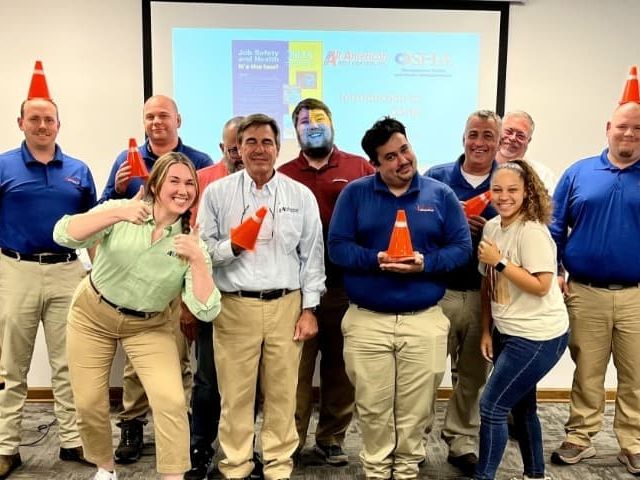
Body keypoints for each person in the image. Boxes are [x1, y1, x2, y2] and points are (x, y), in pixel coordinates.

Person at [53, 152, 221, 480]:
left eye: (190, 183)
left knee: (172, 401)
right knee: (89, 403)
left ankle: (174, 475)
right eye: (174, 181)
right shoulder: (123, 211)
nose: (183, 190)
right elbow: (64, 233)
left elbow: (207, 308)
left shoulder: (192, 241)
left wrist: (198, 261)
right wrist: (117, 213)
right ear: (155, 185)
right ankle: (105, 468)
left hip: (149, 326)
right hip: (92, 316)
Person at [328, 117, 472, 479]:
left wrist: (425, 263)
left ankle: (407, 469)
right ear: (375, 164)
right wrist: (376, 259)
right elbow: (337, 248)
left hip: (424, 319)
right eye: (390, 157)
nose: (402, 160)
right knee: (372, 407)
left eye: (404, 149)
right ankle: (377, 470)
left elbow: (461, 248)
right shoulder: (355, 194)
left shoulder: (440, 195)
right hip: (367, 321)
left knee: (417, 410)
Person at [198, 113, 325, 480]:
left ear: (277, 147)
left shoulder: (299, 195)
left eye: (266, 142)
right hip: (234, 306)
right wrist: (233, 246)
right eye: (250, 142)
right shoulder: (217, 193)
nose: (258, 149)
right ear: (237, 149)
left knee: (283, 394)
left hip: (287, 305)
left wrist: (310, 309)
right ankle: (236, 466)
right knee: (235, 395)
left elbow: (312, 256)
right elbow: (202, 251)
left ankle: (278, 466)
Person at [100, 95, 214, 464]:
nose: (156, 122)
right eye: (149, 116)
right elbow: (104, 212)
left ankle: (179, 425)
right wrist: (119, 192)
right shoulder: (127, 159)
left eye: (163, 115)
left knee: (177, 357)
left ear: (178, 120)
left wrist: (190, 294)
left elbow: (202, 221)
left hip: (176, 274)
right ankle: (132, 423)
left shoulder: (199, 162)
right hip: (138, 278)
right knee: (135, 360)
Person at [0, 94, 96, 478]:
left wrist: (96, 273)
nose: (42, 125)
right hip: (16, 270)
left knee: (69, 363)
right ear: (20, 122)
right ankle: (6, 448)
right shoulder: (3, 165)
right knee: (11, 366)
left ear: (59, 125)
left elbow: (92, 226)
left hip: (67, 272)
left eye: (49, 119)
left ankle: (73, 440)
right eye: (34, 118)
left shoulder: (78, 171)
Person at [278, 98, 374, 466]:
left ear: (333, 124)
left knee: (340, 369)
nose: (313, 126)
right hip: (296, 291)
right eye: (304, 121)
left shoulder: (359, 167)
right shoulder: (283, 174)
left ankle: (331, 438)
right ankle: (289, 440)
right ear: (295, 131)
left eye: (320, 119)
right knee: (293, 372)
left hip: (344, 289)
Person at [549, 101, 640, 476]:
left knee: (636, 374)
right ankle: (580, 437)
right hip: (585, 292)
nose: (629, 134)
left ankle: (633, 443)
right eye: (622, 126)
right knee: (587, 369)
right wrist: (555, 270)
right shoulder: (579, 172)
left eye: (638, 128)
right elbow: (554, 227)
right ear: (608, 127)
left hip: (636, 294)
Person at [474, 160, 569, 480]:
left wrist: (500, 261)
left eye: (512, 190)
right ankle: (535, 475)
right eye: (497, 189)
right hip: (507, 330)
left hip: (539, 336)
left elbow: (542, 286)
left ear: (527, 191)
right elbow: (487, 282)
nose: (504, 196)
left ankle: (483, 477)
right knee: (522, 406)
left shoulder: (532, 232)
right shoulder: (491, 227)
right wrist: (486, 330)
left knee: (491, 406)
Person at [425, 109, 500, 476]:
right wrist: (452, 225)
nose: (479, 142)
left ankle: (461, 440)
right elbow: (415, 232)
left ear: (498, 143)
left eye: (488, 135)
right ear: (463, 137)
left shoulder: (508, 181)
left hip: (485, 296)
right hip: (438, 292)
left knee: (473, 375)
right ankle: (415, 439)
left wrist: (489, 231)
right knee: (426, 372)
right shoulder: (435, 178)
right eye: (474, 134)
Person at [185, 115, 244, 480]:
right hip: (210, 297)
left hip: (252, 300)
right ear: (223, 148)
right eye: (233, 148)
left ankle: (242, 451)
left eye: (246, 145)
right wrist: (187, 302)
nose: (240, 154)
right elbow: (186, 241)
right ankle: (200, 448)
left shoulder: (270, 184)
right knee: (207, 379)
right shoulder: (202, 180)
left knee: (249, 383)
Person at [496, 110, 557, 193]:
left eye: (520, 135)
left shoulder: (543, 176)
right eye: (508, 132)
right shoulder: (478, 168)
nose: (513, 138)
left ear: (528, 141)